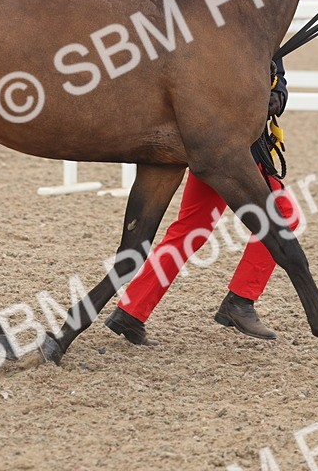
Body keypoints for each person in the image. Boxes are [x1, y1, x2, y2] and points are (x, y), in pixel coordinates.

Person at [105, 57, 300, 344]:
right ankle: (240, 301)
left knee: (190, 228)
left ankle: (132, 310)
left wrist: (277, 96)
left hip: (219, 143)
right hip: (231, 146)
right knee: (283, 214)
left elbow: (276, 72)